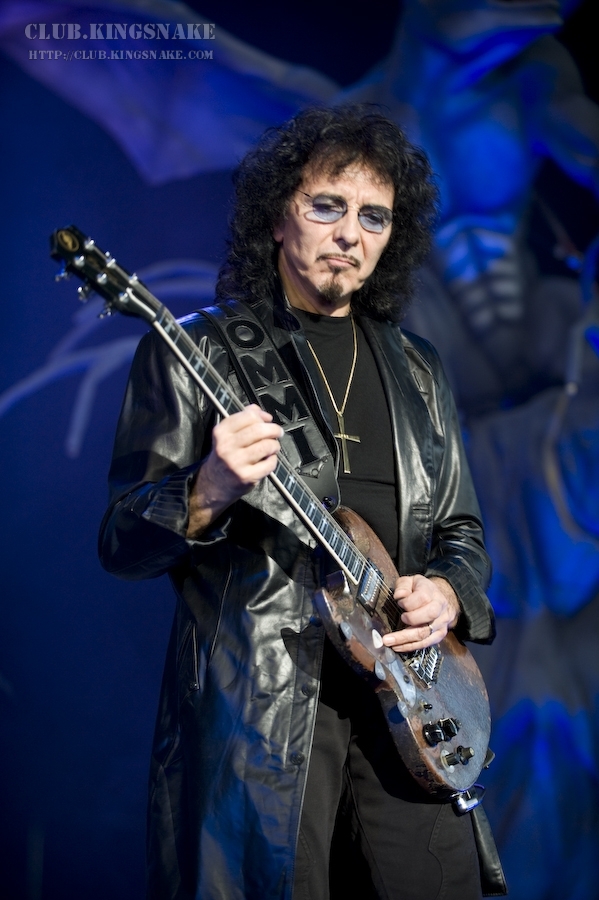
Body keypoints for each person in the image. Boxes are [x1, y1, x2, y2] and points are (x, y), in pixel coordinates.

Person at [99, 105, 496, 900]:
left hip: (411, 711)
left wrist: (448, 592)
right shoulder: (197, 350)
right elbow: (121, 539)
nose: (350, 233)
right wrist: (209, 489)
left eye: (373, 217)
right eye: (327, 206)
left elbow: (460, 533)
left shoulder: (418, 370)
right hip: (265, 717)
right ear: (278, 216)